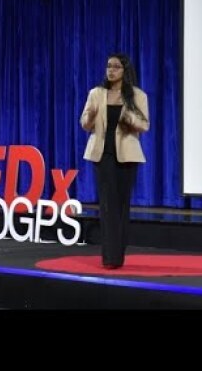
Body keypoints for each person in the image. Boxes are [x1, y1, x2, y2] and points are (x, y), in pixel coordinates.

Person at [80, 53, 149, 269]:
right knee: (108, 205)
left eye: (116, 67)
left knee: (121, 205)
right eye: (109, 66)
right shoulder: (96, 93)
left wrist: (128, 117)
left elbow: (144, 125)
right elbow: (84, 123)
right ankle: (109, 257)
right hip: (103, 155)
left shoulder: (137, 95)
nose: (111, 70)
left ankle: (118, 255)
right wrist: (91, 116)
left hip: (127, 155)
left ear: (125, 70)